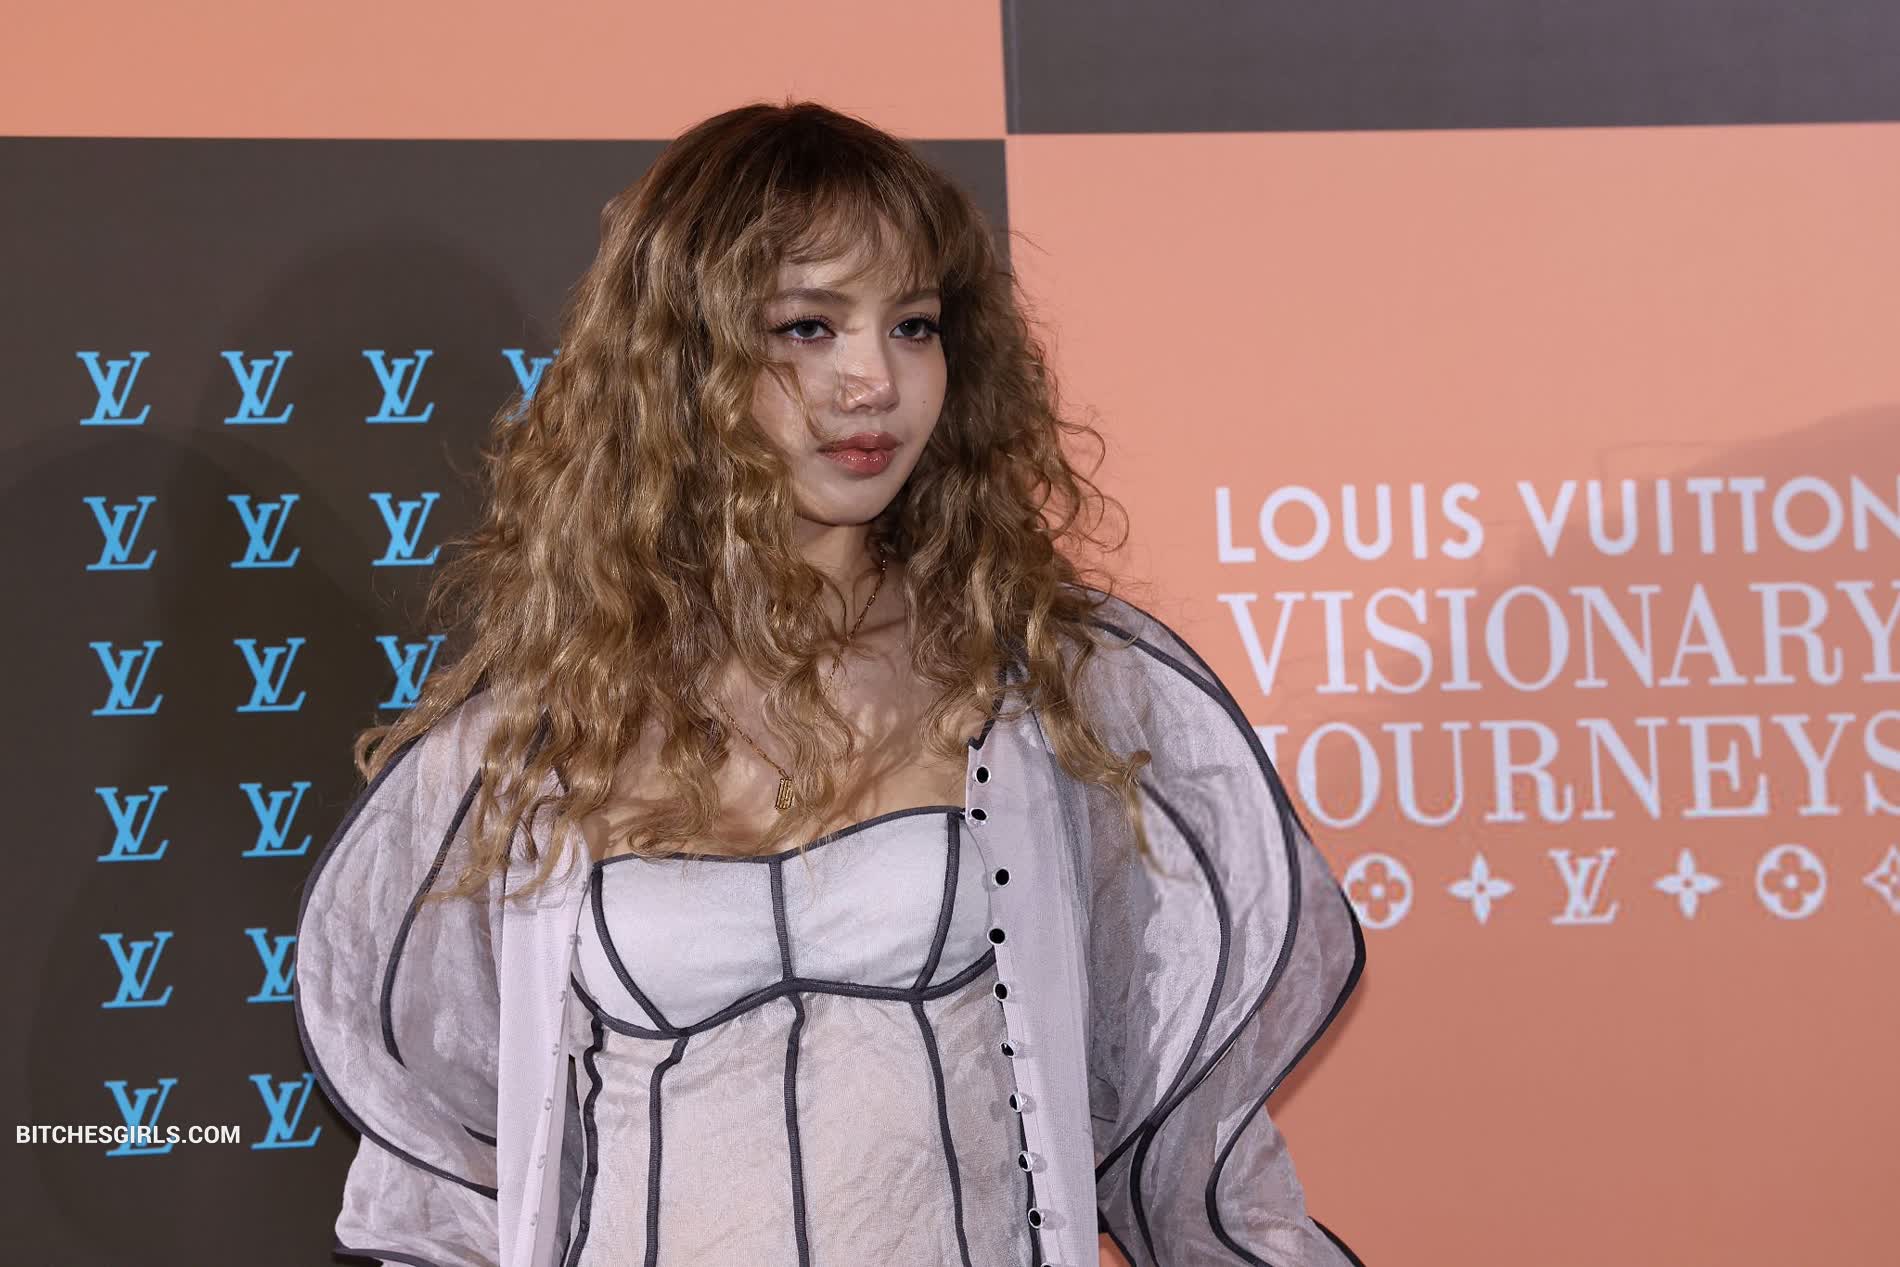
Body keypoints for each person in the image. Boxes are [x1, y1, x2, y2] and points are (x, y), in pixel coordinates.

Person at [293, 99, 1367, 1267]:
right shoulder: (537, 733)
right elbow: (437, 1193)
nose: (874, 381)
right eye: (807, 327)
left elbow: (1195, 1156)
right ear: (682, 360)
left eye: (912, 325)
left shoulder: (1054, 687)